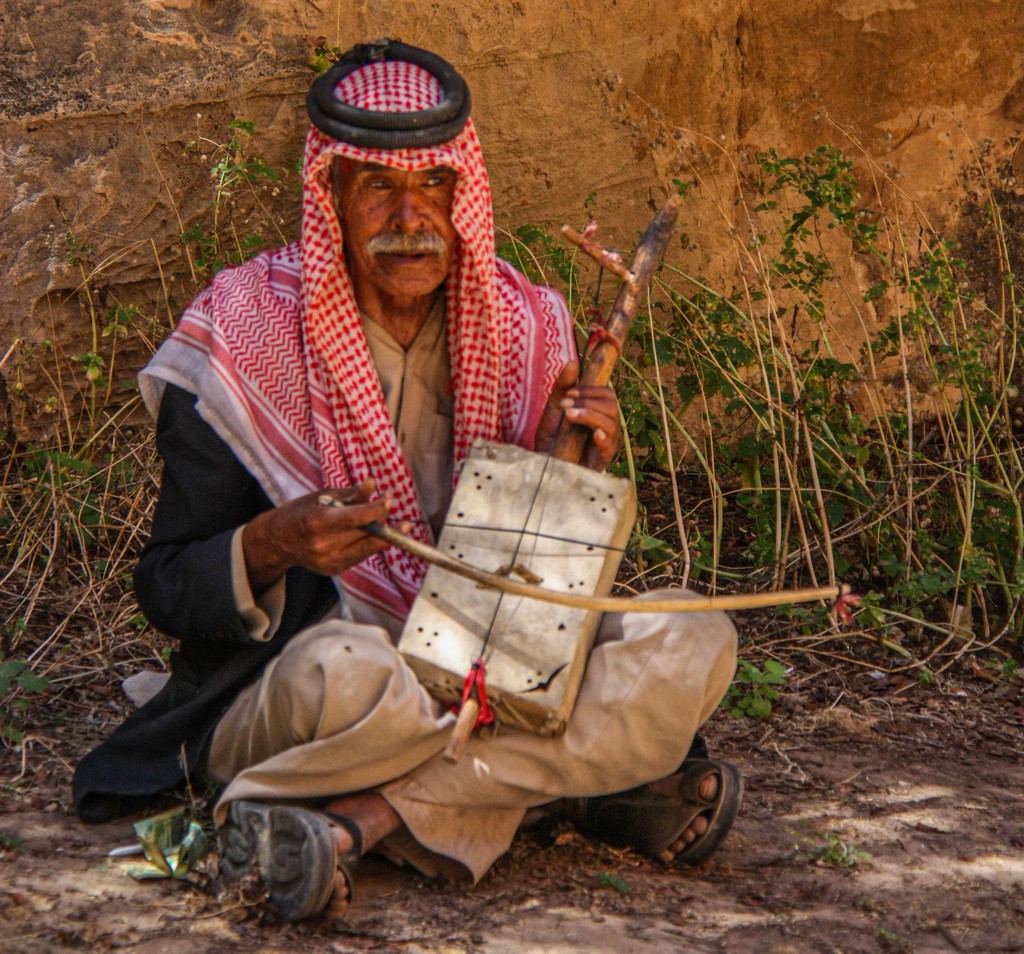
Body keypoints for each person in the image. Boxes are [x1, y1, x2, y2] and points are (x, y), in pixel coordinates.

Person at [73, 40, 741, 922]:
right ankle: (574, 787)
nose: (411, 215)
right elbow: (165, 585)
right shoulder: (240, 332)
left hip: (483, 663)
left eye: (434, 185)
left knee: (693, 640)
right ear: (331, 195)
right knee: (354, 678)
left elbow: (526, 605)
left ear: (464, 192)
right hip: (326, 672)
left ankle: (361, 819)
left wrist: (552, 467)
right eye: (379, 186)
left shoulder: (524, 323)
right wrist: (274, 544)